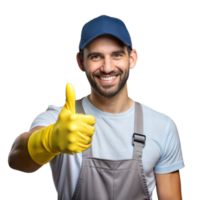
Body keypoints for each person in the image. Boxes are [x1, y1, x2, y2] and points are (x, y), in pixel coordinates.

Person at [6, 14, 186, 200]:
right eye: (96, 57)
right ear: (80, 62)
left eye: (116, 55)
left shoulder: (163, 126)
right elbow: (15, 159)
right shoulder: (60, 119)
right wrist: (48, 140)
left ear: (132, 58)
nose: (107, 67)